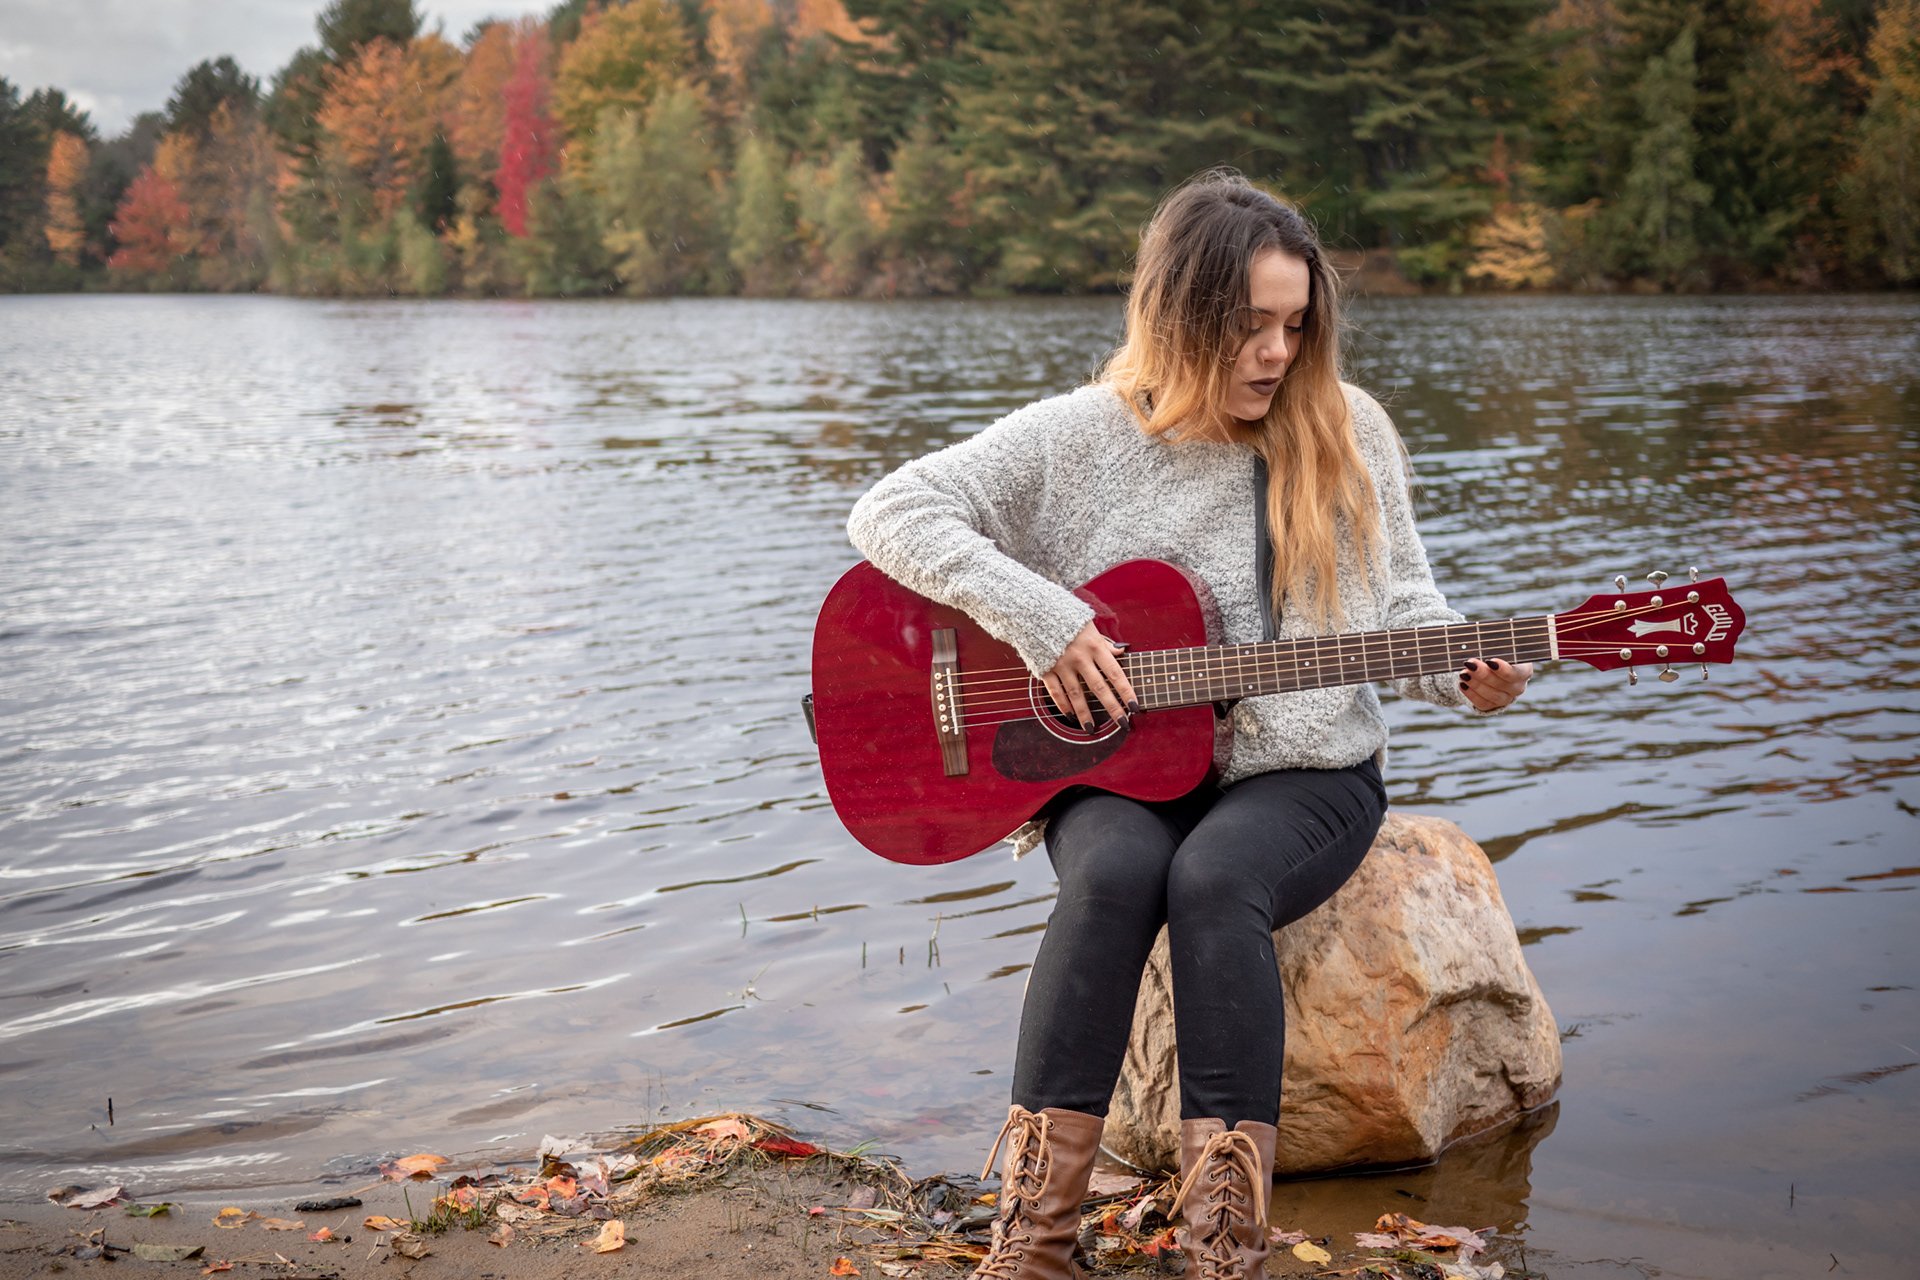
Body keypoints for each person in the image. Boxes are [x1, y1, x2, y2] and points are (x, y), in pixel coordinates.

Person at [845, 170, 1532, 1280]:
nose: (1276, 351)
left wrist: (1465, 671)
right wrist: (1047, 623)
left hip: (1304, 767)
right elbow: (890, 509)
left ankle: (1223, 1244)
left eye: (1295, 325)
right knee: (1114, 875)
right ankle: (1034, 1238)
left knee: (1215, 878)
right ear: (1179, 316)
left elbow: (1403, 603)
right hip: (1121, 762)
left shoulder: (1347, 426)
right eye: (1249, 325)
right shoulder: (1085, 435)